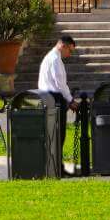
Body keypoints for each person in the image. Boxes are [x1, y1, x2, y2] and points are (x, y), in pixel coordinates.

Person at [37, 33, 78, 161]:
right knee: (58, 135)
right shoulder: (55, 59)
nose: (69, 54)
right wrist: (71, 100)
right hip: (54, 98)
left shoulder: (50, 57)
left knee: (51, 133)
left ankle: (52, 164)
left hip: (46, 97)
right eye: (70, 50)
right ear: (63, 46)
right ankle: (56, 165)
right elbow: (60, 84)